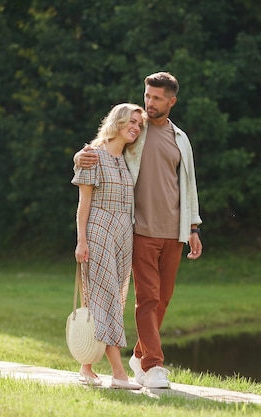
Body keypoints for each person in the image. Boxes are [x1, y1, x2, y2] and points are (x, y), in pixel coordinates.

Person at [74, 72, 203, 389]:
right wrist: (80, 155)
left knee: (163, 299)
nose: (150, 103)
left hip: (174, 232)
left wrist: (193, 226)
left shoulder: (180, 139)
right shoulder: (137, 131)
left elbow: (188, 184)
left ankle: (138, 355)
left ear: (172, 101)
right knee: (147, 298)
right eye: (148, 96)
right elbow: (106, 143)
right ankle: (153, 365)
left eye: (158, 98)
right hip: (138, 230)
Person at [72, 103, 146, 390]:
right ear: (117, 121)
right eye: (132, 121)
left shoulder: (127, 158)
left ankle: (86, 367)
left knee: (114, 298)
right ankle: (118, 373)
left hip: (123, 234)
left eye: (139, 124)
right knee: (106, 299)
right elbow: (84, 204)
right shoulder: (93, 155)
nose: (136, 128)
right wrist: (81, 240)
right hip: (99, 230)